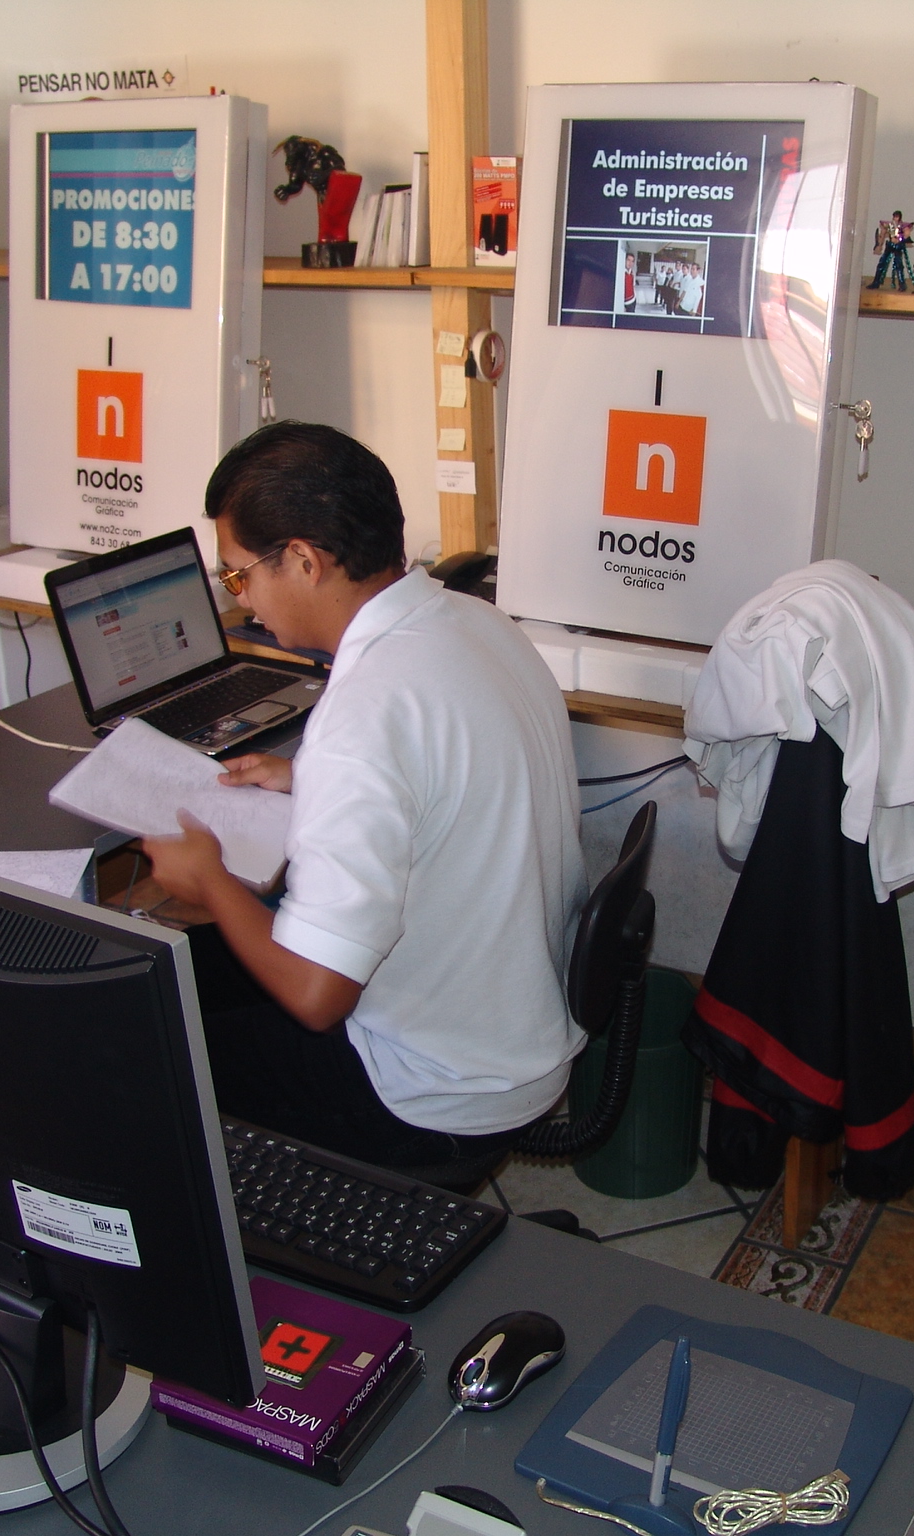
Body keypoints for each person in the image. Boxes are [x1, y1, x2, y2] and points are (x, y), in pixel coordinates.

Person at [142, 421, 588, 1172]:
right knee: (195, 970)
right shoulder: (476, 622)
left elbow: (317, 996)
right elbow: (443, 773)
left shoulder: (362, 719)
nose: (243, 602)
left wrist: (210, 880)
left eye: (238, 577)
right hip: (514, 1027)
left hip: (428, 1090)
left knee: (144, 1041)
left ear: (304, 561)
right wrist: (310, 778)